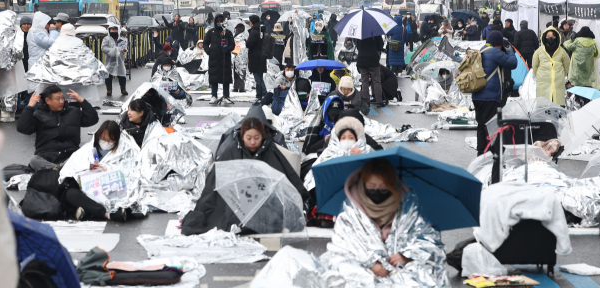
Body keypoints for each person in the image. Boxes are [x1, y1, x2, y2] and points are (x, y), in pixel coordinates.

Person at [310, 158, 449, 286]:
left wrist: (406, 256)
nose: (377, 192)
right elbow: (342, 245)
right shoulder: (351, 210)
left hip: (401, 269)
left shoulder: (409, 205)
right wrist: (371, 263)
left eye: (383, 188)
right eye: (372, 187)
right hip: (363, 267)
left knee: (424, 274)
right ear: (363, 185)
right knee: (340, 268)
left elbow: (429, 238)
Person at [181, 117, 309, 235]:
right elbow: (215, 181)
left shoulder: (271, 151)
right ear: (242, 137)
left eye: (256, 138)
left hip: (263, 200)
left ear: (263, 136)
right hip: (236, 199)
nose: (253, 142)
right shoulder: (231, 151)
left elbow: (287, 176)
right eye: (249, 138)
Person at [17, 85, 99, 170]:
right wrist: (29, 107)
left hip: (69, 155)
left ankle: (56, 170)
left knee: (90, 154)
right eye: (57, 99)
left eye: (62, 98)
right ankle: (58, 169)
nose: (61, 102)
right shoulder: (39, 115)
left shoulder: (73, 112)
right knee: (34, 160)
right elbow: (22, 128)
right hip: (47, 156)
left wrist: (82, 101)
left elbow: (93, 119)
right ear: (47, 100)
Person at [59, 121, 128, 221]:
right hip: (88, 189)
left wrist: (108, 169)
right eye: (103, 139)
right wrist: (91, 168)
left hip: (108, 190)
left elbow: (127, 171)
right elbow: (75, 167)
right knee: (70, 194)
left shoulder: (123, 151)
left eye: (110, 140)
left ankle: (90, 212)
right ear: (98, 136)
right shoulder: (88, 149)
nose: (106, 143)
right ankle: (106, 214)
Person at [472, 31, 518, 157]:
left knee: (481, 126)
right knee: (492, 126)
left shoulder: (482, 50)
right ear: (498, 44)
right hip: (489, 97)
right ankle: (495, 155)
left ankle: (481, 154)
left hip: (477, 96)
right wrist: (508, 49)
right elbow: (513, 63)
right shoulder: (494, 51)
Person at [533, 27, 571, 106]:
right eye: (548, 36)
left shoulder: (562, 51)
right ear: (544, 37)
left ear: (557, 37)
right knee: (544, 110)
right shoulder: (539, 52)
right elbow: (535, 66)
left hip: (558, 85)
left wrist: (560, 75)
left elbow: (567, 65)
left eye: (553, 36)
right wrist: (541, 76)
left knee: (558, 111)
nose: (551, 38)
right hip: (543, 85)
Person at [204, 14, 235, 104]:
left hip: (225, 57)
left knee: (225, 77)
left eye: (220, 21)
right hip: (214, 58)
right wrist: (209, 51)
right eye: (217, 21)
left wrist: (228, 49)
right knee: (214, 77)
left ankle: (226, 95)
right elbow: (205, 43)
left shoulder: (228, 32)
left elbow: (232, 44)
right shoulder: (211, 32)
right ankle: (214, 95)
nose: (219, 23)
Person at [27, 13, 59, 89]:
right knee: (37, 89)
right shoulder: (36, 33)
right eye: (47, 23)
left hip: (39, 62)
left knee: (40, 87)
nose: (48, 26)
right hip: (37, 63)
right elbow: (49, 43)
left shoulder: (37, 31)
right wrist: (53, 31)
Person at [357, 35, 385, 107]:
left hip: (362, 60)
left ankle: (366, 102)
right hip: (373, 60)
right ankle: (379, 101)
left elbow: (358, 47)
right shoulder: (376, 33)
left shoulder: (360, 33)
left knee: (364, 82)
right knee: (376, 82)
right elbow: (380, 47)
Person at [246, 15, 268, 102]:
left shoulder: (254, 32)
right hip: (261, 57)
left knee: (258, 78)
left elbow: (249, 44)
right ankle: (263, 94)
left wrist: (246, 41)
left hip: (255, 57)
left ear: (252, 22)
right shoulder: (261, 30)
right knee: (260, 77)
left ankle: (261, 95)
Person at [101, 24, 128, 96]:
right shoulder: (106, 39)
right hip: (109, 62)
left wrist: (124, 50)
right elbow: (103, 48)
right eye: (112, 30)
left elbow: (124, 49)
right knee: (108, 76)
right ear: (109, 30)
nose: (114, 31)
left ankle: (123, 89)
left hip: (119, 61)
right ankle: (109, 90)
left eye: (115, 29)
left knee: (122, 76)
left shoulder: (121, 40)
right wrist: (113, 50)